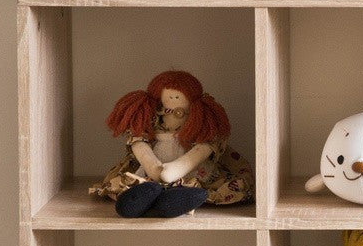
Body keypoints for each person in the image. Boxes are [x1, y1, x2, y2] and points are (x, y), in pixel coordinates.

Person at [90, 70, 253, 217]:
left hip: (191, 172)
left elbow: (202, 149)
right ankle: (144, 198)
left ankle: (172, 200)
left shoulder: (201, 125)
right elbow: (140, 144)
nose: (174, 98)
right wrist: (154, 168)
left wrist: (172, 171)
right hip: (152, 171)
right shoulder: (152, 122)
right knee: (137, 183)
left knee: (210, 185)